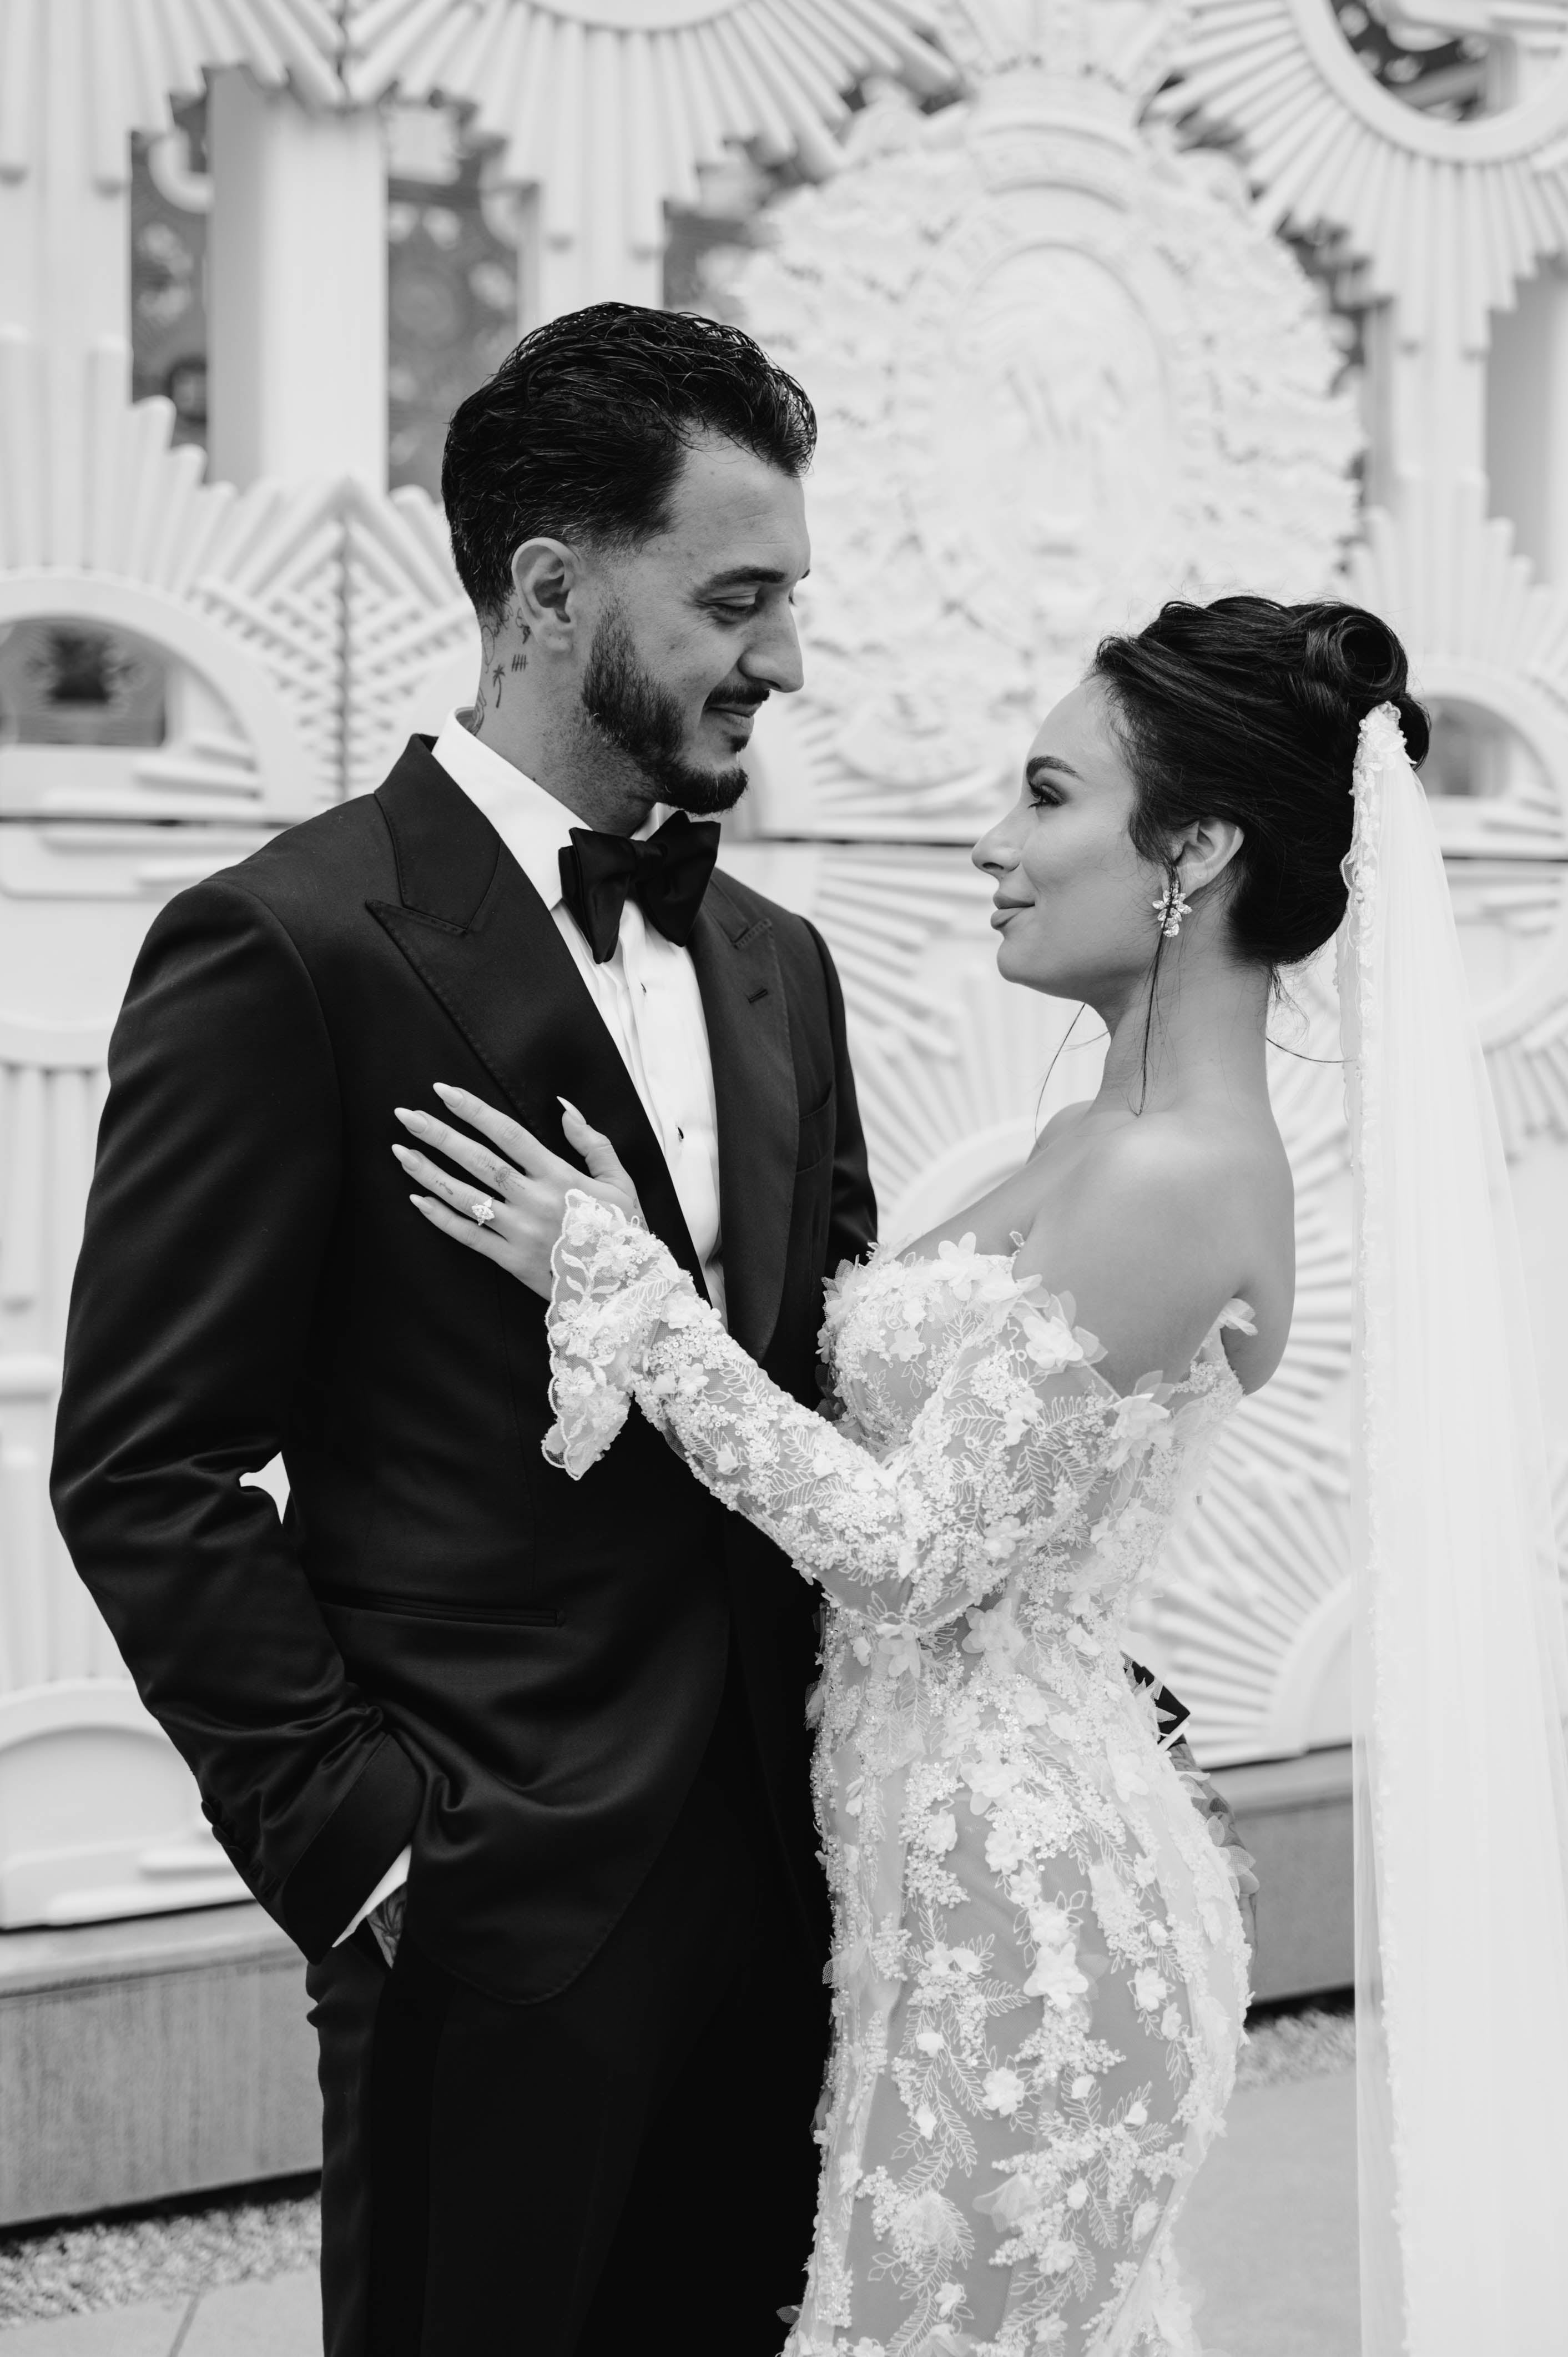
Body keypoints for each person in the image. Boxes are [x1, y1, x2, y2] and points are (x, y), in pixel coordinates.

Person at [394, 595, 1417, 2355]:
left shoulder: (1174, 1181)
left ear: (1200, 847)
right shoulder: (1076, 1139)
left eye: (1042, 797)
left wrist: (632, 1300)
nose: (987, 844)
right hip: (915, 1873)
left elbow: (911, 1554)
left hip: (1023, 1917)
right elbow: (876, 1438)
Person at [50, 304, 877, 2356]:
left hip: (788, 1898)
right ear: (544, 589)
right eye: (737, 599)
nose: (781, 659)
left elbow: (815, 1392)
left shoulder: (779, 964)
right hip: (487, 1908)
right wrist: (368, 1851)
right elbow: (146, 1465)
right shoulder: (290, 943)